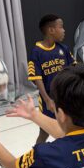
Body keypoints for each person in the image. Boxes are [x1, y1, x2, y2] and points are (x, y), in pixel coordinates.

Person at [27, 14, 76, 144]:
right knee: (45, 131)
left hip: (65, 97)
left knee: (70, 128)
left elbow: (74, 69)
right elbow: (37, 79)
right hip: (49, 100)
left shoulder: (63, 49)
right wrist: (48, 100)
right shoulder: (36, 52)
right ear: (51, 30)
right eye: (61, 27)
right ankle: (36, 155)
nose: (64, 30)